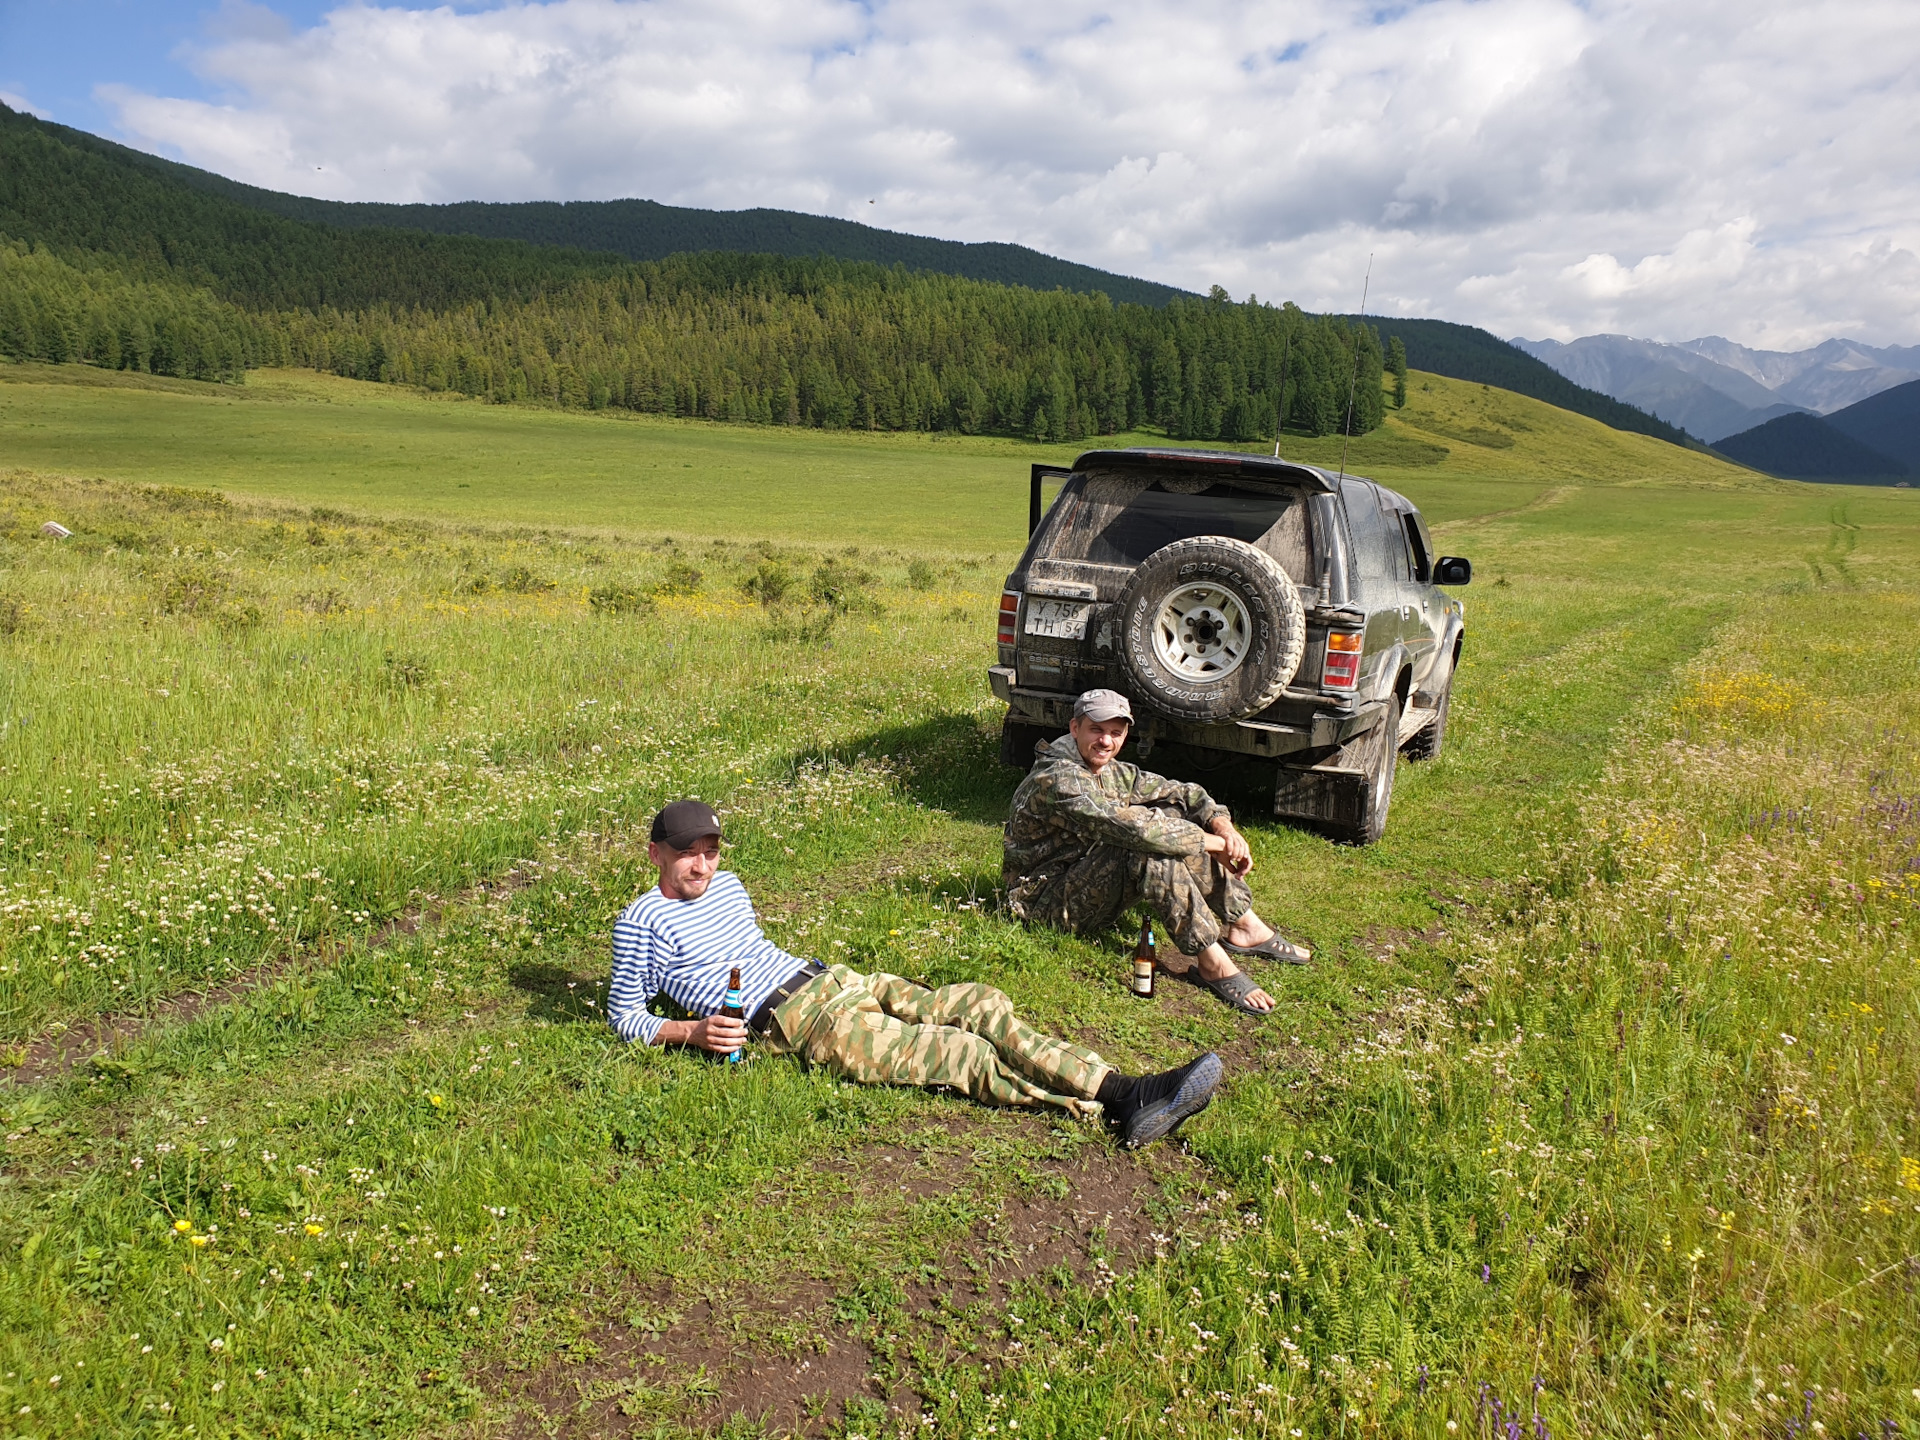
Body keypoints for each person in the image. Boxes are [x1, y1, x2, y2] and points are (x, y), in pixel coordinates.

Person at [607, 798, 1224, 1149]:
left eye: (710, 851)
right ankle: (1118, 1099)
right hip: (793, 1021)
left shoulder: (731, 886)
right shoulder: (641, 921)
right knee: (958, 1053)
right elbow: (623, 1016)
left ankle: (1121, 1088)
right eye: (687, 852)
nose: (701, 865)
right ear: (656, 852)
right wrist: (689, 1034)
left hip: (835, 979)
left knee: (981, 1004)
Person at [1002, 689, 1310, 1015]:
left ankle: (1245, 925)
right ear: (1075, 727)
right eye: (1096, 730)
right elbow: (1133, 829)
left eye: (1116, 733)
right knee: (1147, 847)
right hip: (1041, 901)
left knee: (1173, 816)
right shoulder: (1059, 777)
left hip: (1079, 872)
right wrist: (1214, 844)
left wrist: (1223, 828)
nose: (1106, 741)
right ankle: (1212, 962)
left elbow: (1182, 793)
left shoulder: (1109, 770)